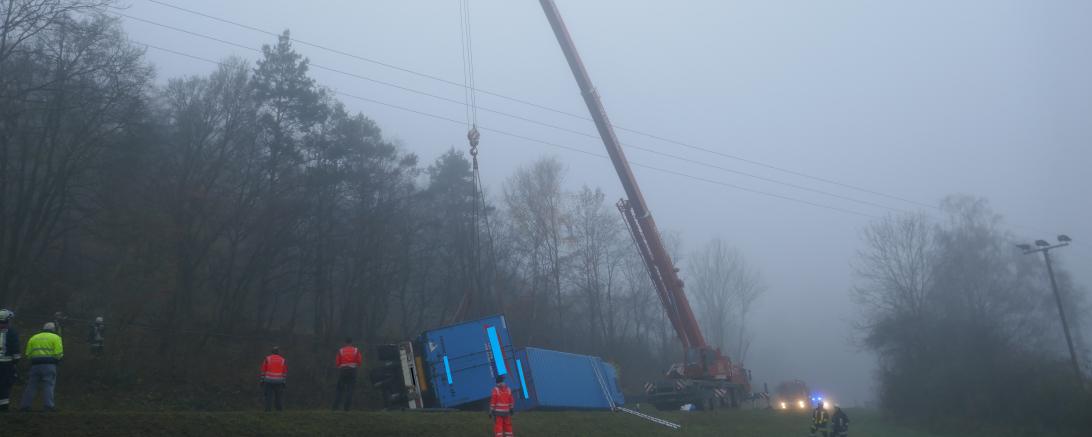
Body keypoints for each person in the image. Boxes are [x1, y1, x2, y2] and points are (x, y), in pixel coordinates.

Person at [20, 322, 63, 412]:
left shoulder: (34, 337)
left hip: (35, 365)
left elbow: (28, 354)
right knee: (48, 385)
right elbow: (58, 353)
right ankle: (48, 406)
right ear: (53, 329)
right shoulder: (56, 337)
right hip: (49, 365)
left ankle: (25, 406)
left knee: (31, 386)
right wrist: (57, 361)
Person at [332, 337, 363, 411]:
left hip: (343, 370)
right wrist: (355, 365)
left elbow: (337, 362)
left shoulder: (341, 350)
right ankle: (346, 408)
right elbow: (359, 361)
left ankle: (335, 407)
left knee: (340, 390)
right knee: (350, 389)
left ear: (345, 343)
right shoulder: (356, 350)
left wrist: (341, 366)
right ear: (351, 342)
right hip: (352, 370)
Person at [0, 309, 20, 412]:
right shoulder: (11, 332)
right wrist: (16, 361)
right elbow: (15, 348)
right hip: (6, 364)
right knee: (5, 385)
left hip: (5, 363)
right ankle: (3, 407)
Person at [259, 346, 287, 412]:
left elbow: (263, 370)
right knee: (278, 397)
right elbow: (284, 372)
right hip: (279, 381)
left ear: (272, 352)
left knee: (268, 396)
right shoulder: (282, 360)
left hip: (268, 380)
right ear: (278, 352)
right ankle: (279, 411)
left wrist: (262, 380)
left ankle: (268, 410)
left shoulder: (267, 359)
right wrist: (284, 382)